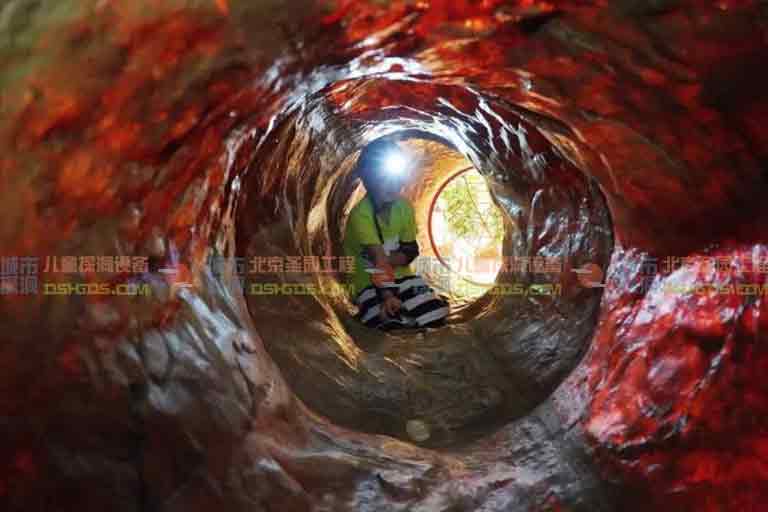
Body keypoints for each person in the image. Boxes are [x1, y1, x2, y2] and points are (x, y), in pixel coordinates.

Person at [343, 138, 449, 330]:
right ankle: (395, 312)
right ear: (368, 180)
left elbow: (411, 250)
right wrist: (388, 296)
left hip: (402, 277)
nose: (392, 184)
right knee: (385, 321)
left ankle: (413, 307)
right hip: (366, 283)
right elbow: (378, 259)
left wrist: (390, 260)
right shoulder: (361, 215)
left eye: (396, 177)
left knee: (436, 313)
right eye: (383, 178)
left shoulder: (404, 208)